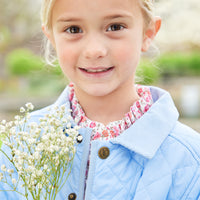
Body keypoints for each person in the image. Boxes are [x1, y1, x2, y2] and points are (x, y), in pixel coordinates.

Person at [1, 0, 200, 199]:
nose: (94, 51)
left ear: (147, 33)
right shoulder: (16, 146)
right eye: (73, 29)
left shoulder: (189, 157)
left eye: (115, 27)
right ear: (52, 37)